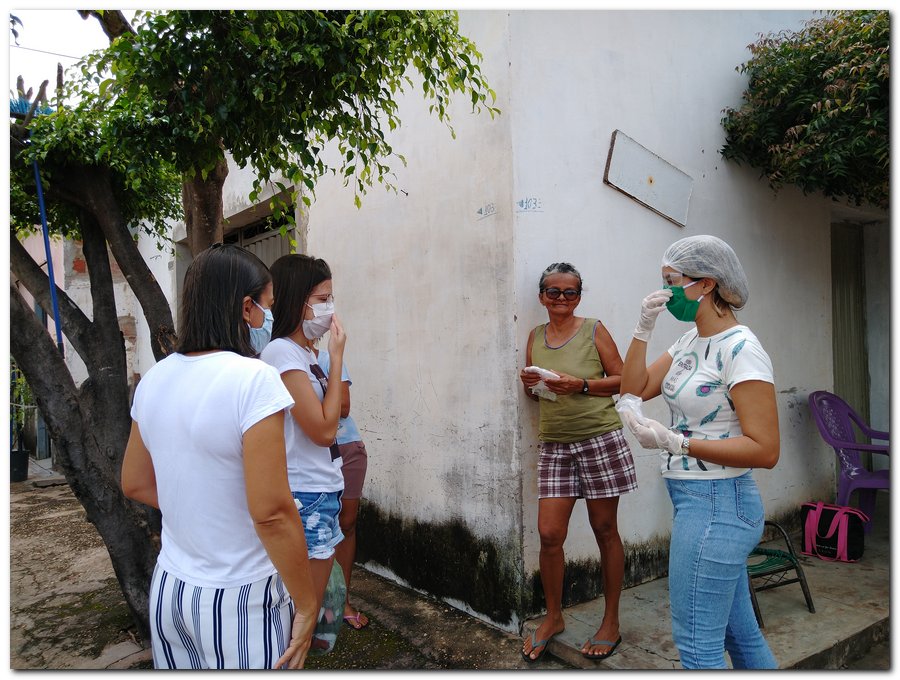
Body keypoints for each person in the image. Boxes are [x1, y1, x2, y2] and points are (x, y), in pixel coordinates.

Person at [120, 244, 317, 669]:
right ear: (246, 308)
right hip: (241, 599)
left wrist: (199, 507)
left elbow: (134, 481)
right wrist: (306, 604)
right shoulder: (254, 380)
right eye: (267, 306)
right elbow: (271, 513)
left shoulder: (155, 380)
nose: (268, 319)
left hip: (172, 590)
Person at [618, 234, 779, 669]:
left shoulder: (741, 349)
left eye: (672, 281)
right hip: (696, 501)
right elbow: (634, 387)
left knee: (697, 648)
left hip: (717, 505)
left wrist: (677, 442)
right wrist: (642, 330)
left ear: (705, 284)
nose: (665, 291)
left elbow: (765, 449)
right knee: (740, 637)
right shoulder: (688, 343)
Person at [518, 262, 638, 663]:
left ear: (579, 297)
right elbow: (537, 396)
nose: (562, 300)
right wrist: (535, 387)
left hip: (599, 439)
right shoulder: (535, 337)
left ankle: (611, 622)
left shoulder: (593, 329)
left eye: (570, 293)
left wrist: (581, 385)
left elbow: (625, 379)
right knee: (549, 534)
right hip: (555, 444)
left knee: (605, 529)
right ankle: (554, 617)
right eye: (554, 292)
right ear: (542, 297)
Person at [260, 254, 347, 647]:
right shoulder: (282, 353)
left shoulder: (309, 354)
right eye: (322, 298)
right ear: (298, 301)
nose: (329, 308)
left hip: (322, 490)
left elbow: (337, 412)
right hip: (305, 495)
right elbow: (325, 430)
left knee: (309, 618)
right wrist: (339, 355)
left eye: (331, 298)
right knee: (300, 617)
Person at [315, 346, 371, 630]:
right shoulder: (280, 355)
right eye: (321, 299)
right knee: (313, 530)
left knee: (346, 525)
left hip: (346, 448)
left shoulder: (327, 357)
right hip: (311, 454)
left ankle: (341, 602)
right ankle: (311, 608)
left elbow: (344, 407)